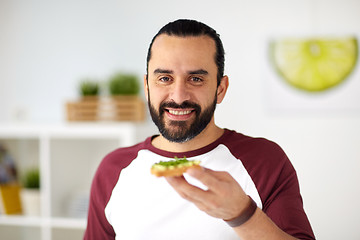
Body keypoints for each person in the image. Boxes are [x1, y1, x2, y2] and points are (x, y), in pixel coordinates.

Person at [84, 19, 315, 240]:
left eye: (195, 79)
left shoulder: (265, 161)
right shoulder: (113, 169)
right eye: (164, 78)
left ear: (220, 89)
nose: (178, 96)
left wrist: (243, 215)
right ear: (146, 87)